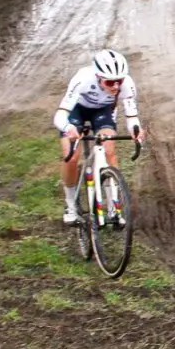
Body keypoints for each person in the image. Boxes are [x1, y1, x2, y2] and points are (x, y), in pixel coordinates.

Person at [53, 49, 145, 226]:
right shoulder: (82, 79)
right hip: (76, 111)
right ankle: (70, 205)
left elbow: (131, 116)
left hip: (102, 112)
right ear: (97, 76)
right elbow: (59, 116)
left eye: (119, 81)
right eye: (110, 82)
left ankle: (113, 206)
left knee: (110, 151)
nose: (116, 86)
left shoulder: (127, 84)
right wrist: (68, 128)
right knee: (71, 156)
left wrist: (136, 130)